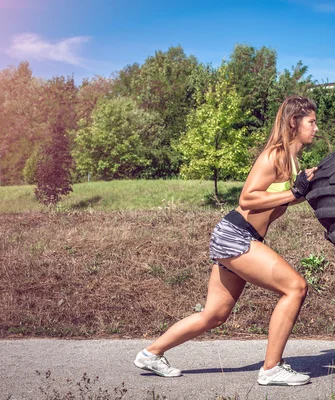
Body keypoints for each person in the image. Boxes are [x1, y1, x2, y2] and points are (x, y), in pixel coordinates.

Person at [134, 96, 319, 386]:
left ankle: (151, 353)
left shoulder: (293, 162)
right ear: (294, 122)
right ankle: (271, 368)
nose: (316, 128)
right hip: (237, 235)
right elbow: (247, 198)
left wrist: (305, 187)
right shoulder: (274, 155)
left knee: (215, 315)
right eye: (311, 121)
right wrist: (295, 193)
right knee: (295, 287)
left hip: (238, 236)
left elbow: (279, 201)